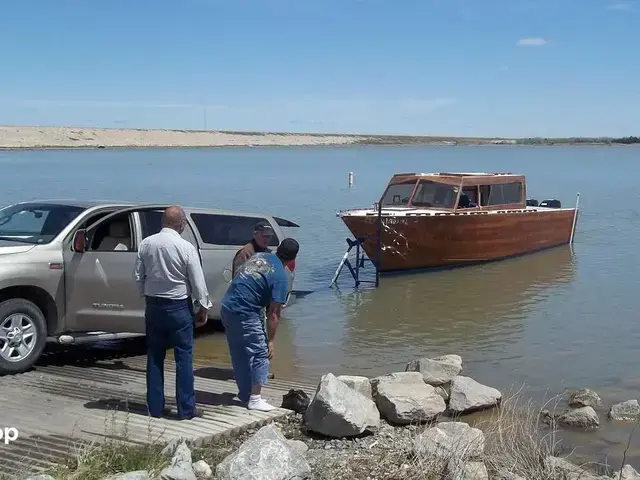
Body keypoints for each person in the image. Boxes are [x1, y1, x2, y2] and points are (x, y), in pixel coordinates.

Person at [133, 205, 211, 420]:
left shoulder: (146, 243)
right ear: (182, 224)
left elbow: (138, 275)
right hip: (178, 306)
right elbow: (197, 281)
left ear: (162, 222)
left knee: (155, 356)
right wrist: (203, 306)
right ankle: (186, 409)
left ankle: (155, 408)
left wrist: (144, 294)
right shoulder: (185, 247)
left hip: (153, 305)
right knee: (183, 357)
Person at [220, 238, 299, 411]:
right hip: (246, 311)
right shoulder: (281, 277)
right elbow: (274, 313)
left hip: (227, 306)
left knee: (239, 353)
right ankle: (255, 399)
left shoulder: (260, 256)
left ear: (278, 249)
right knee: (261, 353)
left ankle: (246, 395)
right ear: (293, 259)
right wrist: (271, 341)